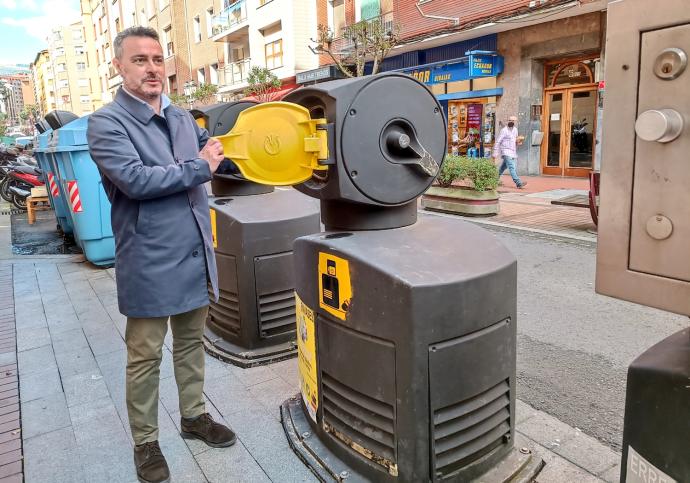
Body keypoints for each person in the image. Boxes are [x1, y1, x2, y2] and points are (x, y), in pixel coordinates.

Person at [87, 26, 235, 483]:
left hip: (194, 252)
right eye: (139, 60)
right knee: (145, 355)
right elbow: (136, 180)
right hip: (150, 258)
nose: (152, 68)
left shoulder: (181, 118)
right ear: (119, 66)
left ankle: (193, 417)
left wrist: (227, 159)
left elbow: (203, 170)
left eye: (157, 59)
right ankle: (146, 442)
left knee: (192, 344)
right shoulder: (107, 122)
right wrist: (200, 166)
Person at [493, 115, 527, 189]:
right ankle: (518, 183)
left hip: (513, 152)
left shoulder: (515, 130)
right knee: (512, 167)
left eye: (513, 121)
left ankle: (494, 180)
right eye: (510, 120)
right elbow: (498, 141)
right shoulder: (504, 130)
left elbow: (516, 140)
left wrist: (519, 142)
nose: (511, 122)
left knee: (502, 168)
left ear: (515, 122)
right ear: (507, 121)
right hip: (505, 151)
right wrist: (495, 152)